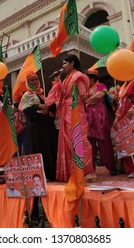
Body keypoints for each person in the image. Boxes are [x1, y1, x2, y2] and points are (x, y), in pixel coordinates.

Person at [45, 54, 95, 182]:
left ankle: (86, 171)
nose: (63, 66)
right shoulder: (67, 78)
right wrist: (57, 80)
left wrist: (90, 101)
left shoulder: (77, 76)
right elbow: (62, 94)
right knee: (68, 141)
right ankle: (73, 171)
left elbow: (83, 96)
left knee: (80, 139)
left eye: (64, 63)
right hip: (67, 111)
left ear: (72, 63)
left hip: (76, 110)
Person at [19, 71, 58, 181]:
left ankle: (52, 173)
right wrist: (39, 107)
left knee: (50, 147)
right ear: (28, 82)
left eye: (36, 79)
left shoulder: (42, 93)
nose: (35, 81)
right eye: (32, 80)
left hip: (46, 126)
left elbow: (51, 106)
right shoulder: (27, 95)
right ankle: (41, 175)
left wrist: (48, 108)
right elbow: (26, 110)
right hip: (35, 127)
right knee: (38, 148)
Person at [84, 68, 117, 176]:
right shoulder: (84, 89)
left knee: (105, 143)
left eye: (87, 78)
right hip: (88, 119)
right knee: (90, 145)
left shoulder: (101, 85)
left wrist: (87, 101)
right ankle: (90, 169)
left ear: (92, 78)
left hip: (100, 118)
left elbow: (99, 96)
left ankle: (111, 167)